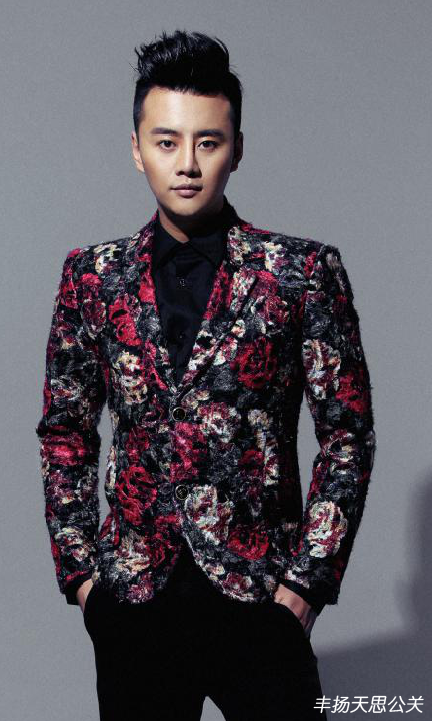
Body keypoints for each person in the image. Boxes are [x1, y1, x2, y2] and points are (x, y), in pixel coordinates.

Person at [35, 29, 376, 721]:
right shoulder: (92, 276)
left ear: (237, 149)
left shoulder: (300, 273)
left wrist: (306, 584)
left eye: (208, 142)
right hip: (134, 604)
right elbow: (66, 431)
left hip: (261, 599)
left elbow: (347, 435)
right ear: (137, 148)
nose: (186, 164)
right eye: (166, 142)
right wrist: (83, 580)